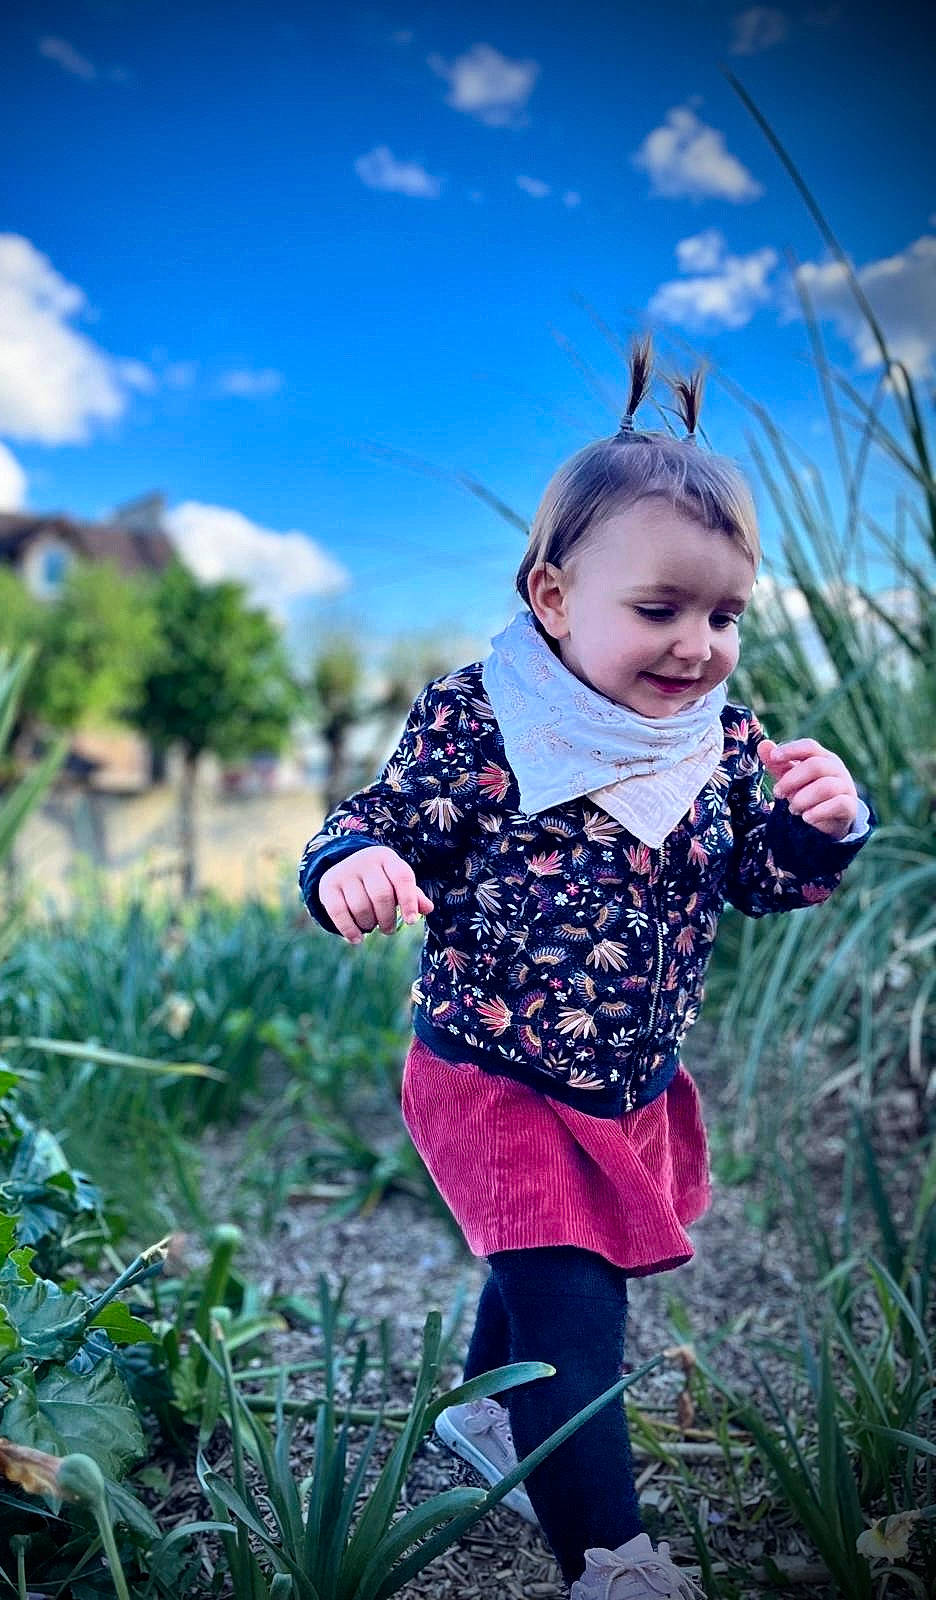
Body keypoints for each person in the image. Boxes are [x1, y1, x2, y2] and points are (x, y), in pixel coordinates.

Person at [297, 337, 874, 1599]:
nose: (695, 645)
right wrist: (353, 865)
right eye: (657, 610)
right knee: (571, 1298)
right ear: (552, 597)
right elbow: (383, 815)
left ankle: (488, 1416)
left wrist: (815, 828)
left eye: (723, 615)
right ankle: (607, 1557)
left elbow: (753, 878)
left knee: (559, 1261)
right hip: (492, 1065)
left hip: (625, 1073)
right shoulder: (484, 713)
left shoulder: (717, 739)